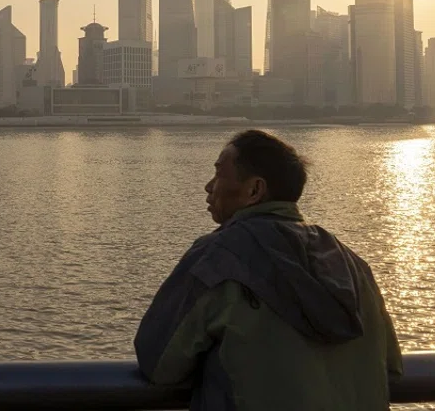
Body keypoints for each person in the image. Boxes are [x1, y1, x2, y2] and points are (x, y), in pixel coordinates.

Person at [134, 130, 402, 411]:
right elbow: (391, 367)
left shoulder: (217, 257)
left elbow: (159, 362)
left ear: (254, 190)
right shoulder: (352, 264)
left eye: (218, 174)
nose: (208, 186)